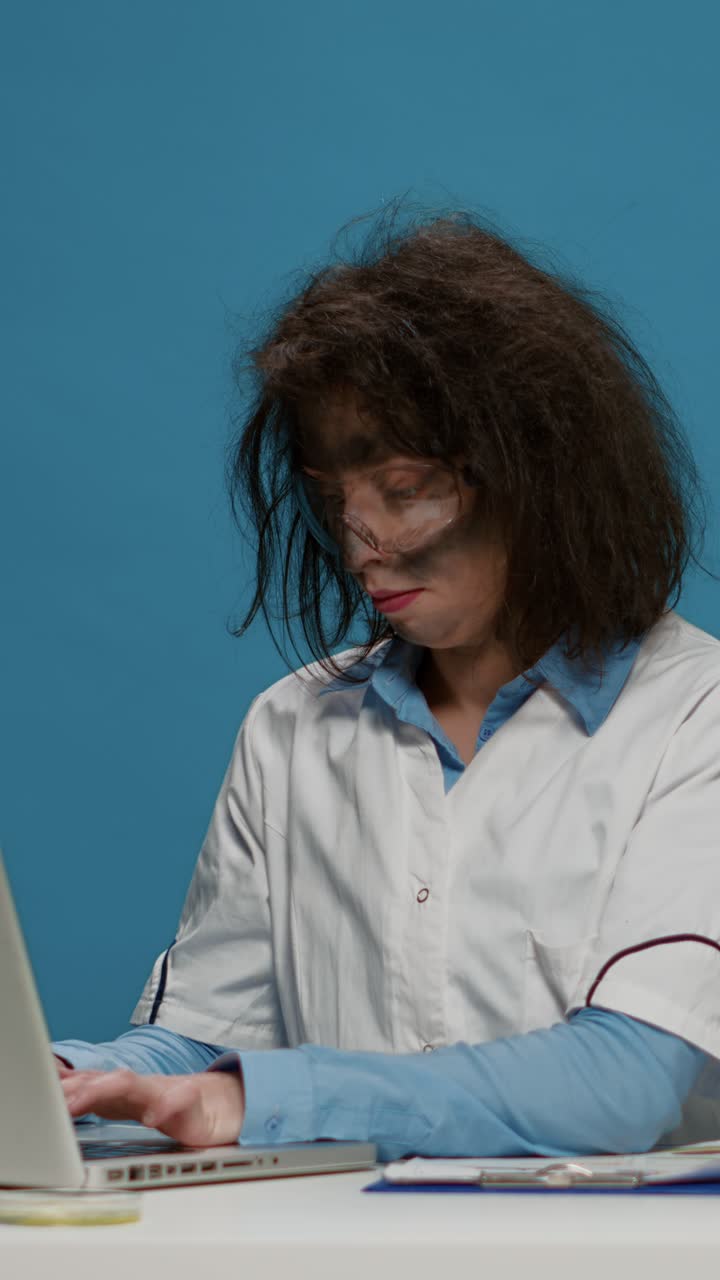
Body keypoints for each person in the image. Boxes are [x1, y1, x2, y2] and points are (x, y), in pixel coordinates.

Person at [53, 205, 720, 1161]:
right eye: (335, 500)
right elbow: (205, 1038)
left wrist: (255, 1098)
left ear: (545, 472)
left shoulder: (698, 717)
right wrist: (65, 1084)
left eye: (405, 490)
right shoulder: (293, 725)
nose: (362, 544)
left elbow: (624, 1081)